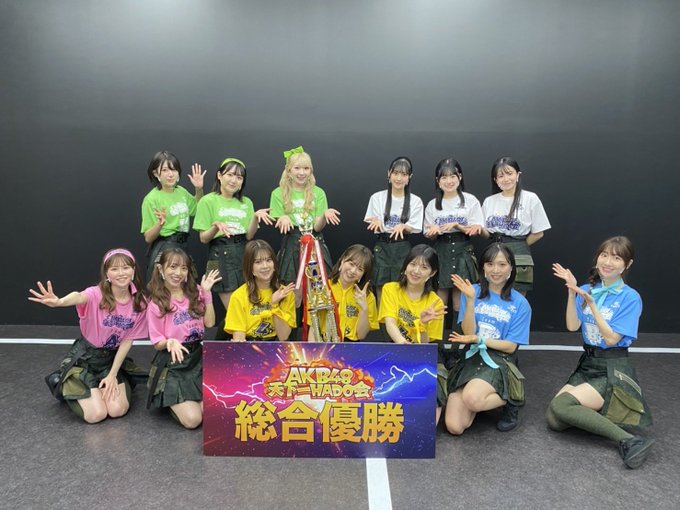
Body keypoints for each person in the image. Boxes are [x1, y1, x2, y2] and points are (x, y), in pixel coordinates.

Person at [548, 236, 653, 469]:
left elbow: (611, 339)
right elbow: (572, 326)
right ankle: (609, 413)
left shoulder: (630, 297)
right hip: (588, 364)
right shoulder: (587, 289)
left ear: (627, 264)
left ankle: (629, 440)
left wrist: (593, 306)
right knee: (554, 420)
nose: (607, 262)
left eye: (616, 258)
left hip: (612, 367)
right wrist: (572, 292)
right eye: (604, 255)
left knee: (561, 406)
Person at [28, 248, 148, 423]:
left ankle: (113, 382)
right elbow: (79, 296)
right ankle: (65, 382)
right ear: (107, 273)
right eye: (114, 269)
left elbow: (127, 341)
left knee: (117, 410)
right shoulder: (96, 294)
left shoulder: (140, 302)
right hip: (86, 359)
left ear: (133, 270)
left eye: (126, 267)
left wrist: (112, 374)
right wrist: (60, 302)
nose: (121, 273)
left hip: (111, 361)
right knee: (96, 415)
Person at [444, 243, 531, 435]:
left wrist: (480, 340)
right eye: (490, 264)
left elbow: (510, 347)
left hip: (499, 359)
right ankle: (482, 400)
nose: (495, 270)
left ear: (511, 268)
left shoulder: (520, 303)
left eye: (502, 264)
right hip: (472, 356)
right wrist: (470, 300)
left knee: (472, 398)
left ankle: (512, 399)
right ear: (483, 266)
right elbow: (468, 333)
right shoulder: (471, 291)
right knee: (454, 427)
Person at [146, 248, 220, 429]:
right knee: (193, 420)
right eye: (173, 267)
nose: (178, 273)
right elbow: (157, 342)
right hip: (174, 362)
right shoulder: (156, 303)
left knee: (213, 411)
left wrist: (206, 293)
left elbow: (210, 323)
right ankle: (170, 401)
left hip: (197, 358)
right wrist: (169, 342)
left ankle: (187, 401)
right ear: (161, 269)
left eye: (183, 268)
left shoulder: (195, 291)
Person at [193, 157, 273, 312]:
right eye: (230, 175)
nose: (234, 180)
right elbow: (203, 238)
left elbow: (249, 236)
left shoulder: (246, 202)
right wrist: (215, 227)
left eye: (239, 177)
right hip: (220, 254)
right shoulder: (207, 201)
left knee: (249, 308)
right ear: (219, 175)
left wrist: (255, 217)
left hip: (243, 253)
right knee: (234, 311)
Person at [378, 244, 446, 422]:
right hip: (397, 348)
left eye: (424, 267)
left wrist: (422, 325)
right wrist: (402, 343)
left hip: (425, 355)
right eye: (413, 264)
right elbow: (390, 322)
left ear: (432, 273)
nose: (416, 271)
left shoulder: (436, 302)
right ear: (406, 265)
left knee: (429, 418)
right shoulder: (390, 289)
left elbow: (426, 345)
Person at [269, 147, 340, 293]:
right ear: (288, 170)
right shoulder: (277, 193)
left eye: (306, 168)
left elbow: (317, 228)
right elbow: (280, 224)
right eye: (297, 168)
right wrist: (282, 218)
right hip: (292, 244)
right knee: (294, 291)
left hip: (314, 242)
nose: (302, 173)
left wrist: (324, 215)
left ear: (311, 171)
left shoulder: (318, 192)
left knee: (318, 290)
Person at [424, 158, 483, 329]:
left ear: (460, 177)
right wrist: (433, 231)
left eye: (453, 176)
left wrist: (458, 226)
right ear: (438, 180)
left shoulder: (470, 200)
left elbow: (477, 229)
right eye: (444, 177)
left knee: (459, 301)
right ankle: (436, 341)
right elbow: (427, 233)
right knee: (439, 300)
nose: (449, 181)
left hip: (462, 249)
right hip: (441, 249)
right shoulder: (433, 204)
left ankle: (458, 341)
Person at [482, 157, 550, 295]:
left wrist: (519, 245)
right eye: (501, 176)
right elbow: (486, 233)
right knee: (493, 296)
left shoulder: (530, 198)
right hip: (494, 253)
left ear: (518, 174)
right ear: (495, 180)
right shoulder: (489, 201)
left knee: (517, 297)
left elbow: (539, 232)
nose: (506, 179)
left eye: (509, 173)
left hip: (520, 256)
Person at [141, 150, 206, 282]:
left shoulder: (181, 191)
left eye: (174, 169)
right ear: (155, 173)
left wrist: (198, 189)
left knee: (185, 287)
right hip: (165, 248)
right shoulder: (151, 199)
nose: (170, 174)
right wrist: (159, 225)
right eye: (165, 170)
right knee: (164, 288)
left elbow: (198, 209)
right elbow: (148, 237)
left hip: (183, 246)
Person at [365, 157, 424, 301]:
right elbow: (372, 219)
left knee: (402, 287)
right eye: (395, 173)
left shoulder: (415, 201)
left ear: (409, 177)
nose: (399, 178)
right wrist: (376, 220)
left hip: (402, 247)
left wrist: (404, 226)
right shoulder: (377, 198)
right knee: (380, 288)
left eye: (404, 174)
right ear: (389, 174)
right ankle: (381, 316)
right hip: (382, 246)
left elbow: (415, 226)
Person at [225, 240, 296, 341]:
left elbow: (283, 336)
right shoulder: (238, 296)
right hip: (249, 346)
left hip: (276, 346)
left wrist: (274, 305)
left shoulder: (286, 293)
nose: (265, 266)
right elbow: (239, 339)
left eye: (268, 260)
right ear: (250, 268)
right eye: (258, 262)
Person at [308, 244, 379, 342]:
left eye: (360, 269)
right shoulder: (322, 287)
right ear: (342, 260)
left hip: (350, 347)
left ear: (363, 275)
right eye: (351, 264)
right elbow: (313, 327)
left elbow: (361, 335)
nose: (353, 271)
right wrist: (312, 349)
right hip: (324, 344)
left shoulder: (368, 297)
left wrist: (364, 308)